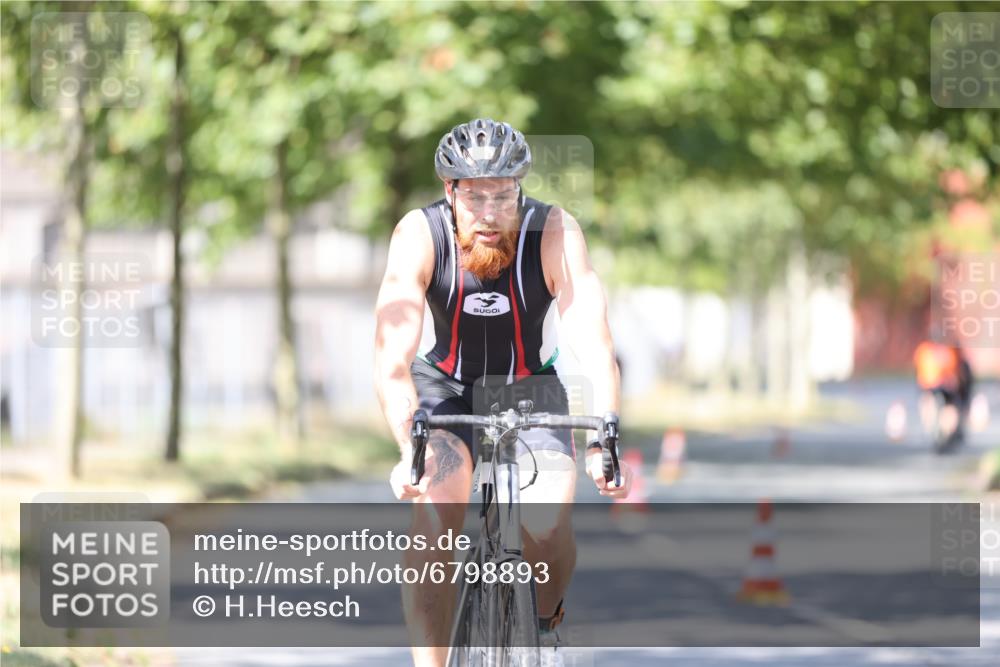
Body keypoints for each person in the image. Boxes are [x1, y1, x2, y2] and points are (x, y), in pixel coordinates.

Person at [373, 118, 632, 667]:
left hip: (532, 388)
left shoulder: (555, 231)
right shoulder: (419, 236)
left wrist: (603, 438)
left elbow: (593, 340)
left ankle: (544, 621)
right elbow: (392, 359)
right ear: (450, 191)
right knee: (436, 514)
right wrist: (406, 449)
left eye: (502, 195)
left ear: (521, 188)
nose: (489, 214)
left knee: (545, 521)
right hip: (445, 390)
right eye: (473, 197)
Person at [913, 338, 974, 450]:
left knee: (947, 409)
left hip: (937, 387)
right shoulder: (945, 351)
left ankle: (944, 433)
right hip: (940, 387)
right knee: (947, 409)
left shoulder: (927, 350)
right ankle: (941, 432)